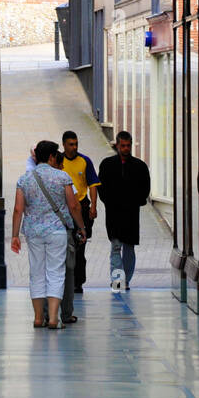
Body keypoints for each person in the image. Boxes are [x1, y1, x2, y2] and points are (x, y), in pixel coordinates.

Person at [11, 140, 86, 329]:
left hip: (34, 232)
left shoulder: (25, 179)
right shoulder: (62, 177)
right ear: (52, 156)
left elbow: (18, 209)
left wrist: (15, 235)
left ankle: (38, 318)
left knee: (36, 272)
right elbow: (74, 205)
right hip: (57, 231)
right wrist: (81, 227)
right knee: (56, 272)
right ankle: (53, 318)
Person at [97, 130, 150, 291]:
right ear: (117, 145)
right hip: (113, 213)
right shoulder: (107, 165)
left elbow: (145, 189)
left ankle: (125, 280)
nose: (126, 149)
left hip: (131, 214)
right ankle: (118, 282)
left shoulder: (139, 166)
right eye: (123, 146)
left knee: (129, 248)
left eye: (128, 146)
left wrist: (136, 201)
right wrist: (108, 201)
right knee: (116, 247)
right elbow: (101, 188)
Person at [60, 130, 98, 295]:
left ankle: (78, 282)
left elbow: (93, 185)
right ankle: (65, 281)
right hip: (64, 209)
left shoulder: (85, 161)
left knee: (80, 247)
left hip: (81, 207)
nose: (74, 147)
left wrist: (93, 207)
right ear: (64, 145)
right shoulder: (58, 161)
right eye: (71, 144)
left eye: (76, 144)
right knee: (65, 247)